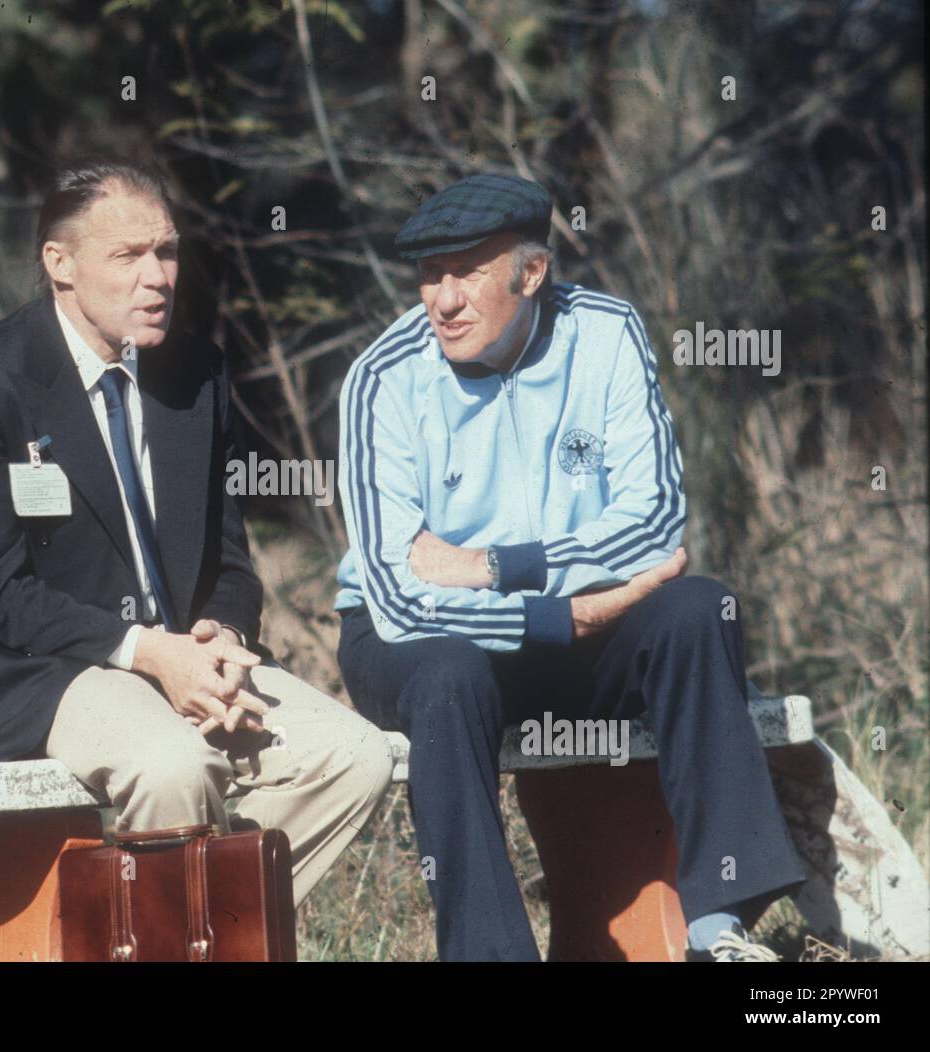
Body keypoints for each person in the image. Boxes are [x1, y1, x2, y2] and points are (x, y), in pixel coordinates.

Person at [0, 156, 393, 909]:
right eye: (127, 256)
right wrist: (149, 653)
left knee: (357, 756)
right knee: (172, 766)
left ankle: (182, 932)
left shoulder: (196, 373)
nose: (156, 276)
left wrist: (221, 635)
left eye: (167, 251)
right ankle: (185, 929)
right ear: (59, 263)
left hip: (180, 658)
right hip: (37, 669)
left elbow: (230, 561)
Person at [334, 171, 808, 961]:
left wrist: (494, 566)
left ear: (531, 272)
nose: (443, 299)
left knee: (696, 608)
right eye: (428, 274)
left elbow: (655, 524)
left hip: (573, 625)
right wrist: (555, 610)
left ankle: (718, 927)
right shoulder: (382, 378)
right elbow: (396, 594)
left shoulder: (608, 332)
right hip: (422, 644)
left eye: (468, 272)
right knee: (452, 677)